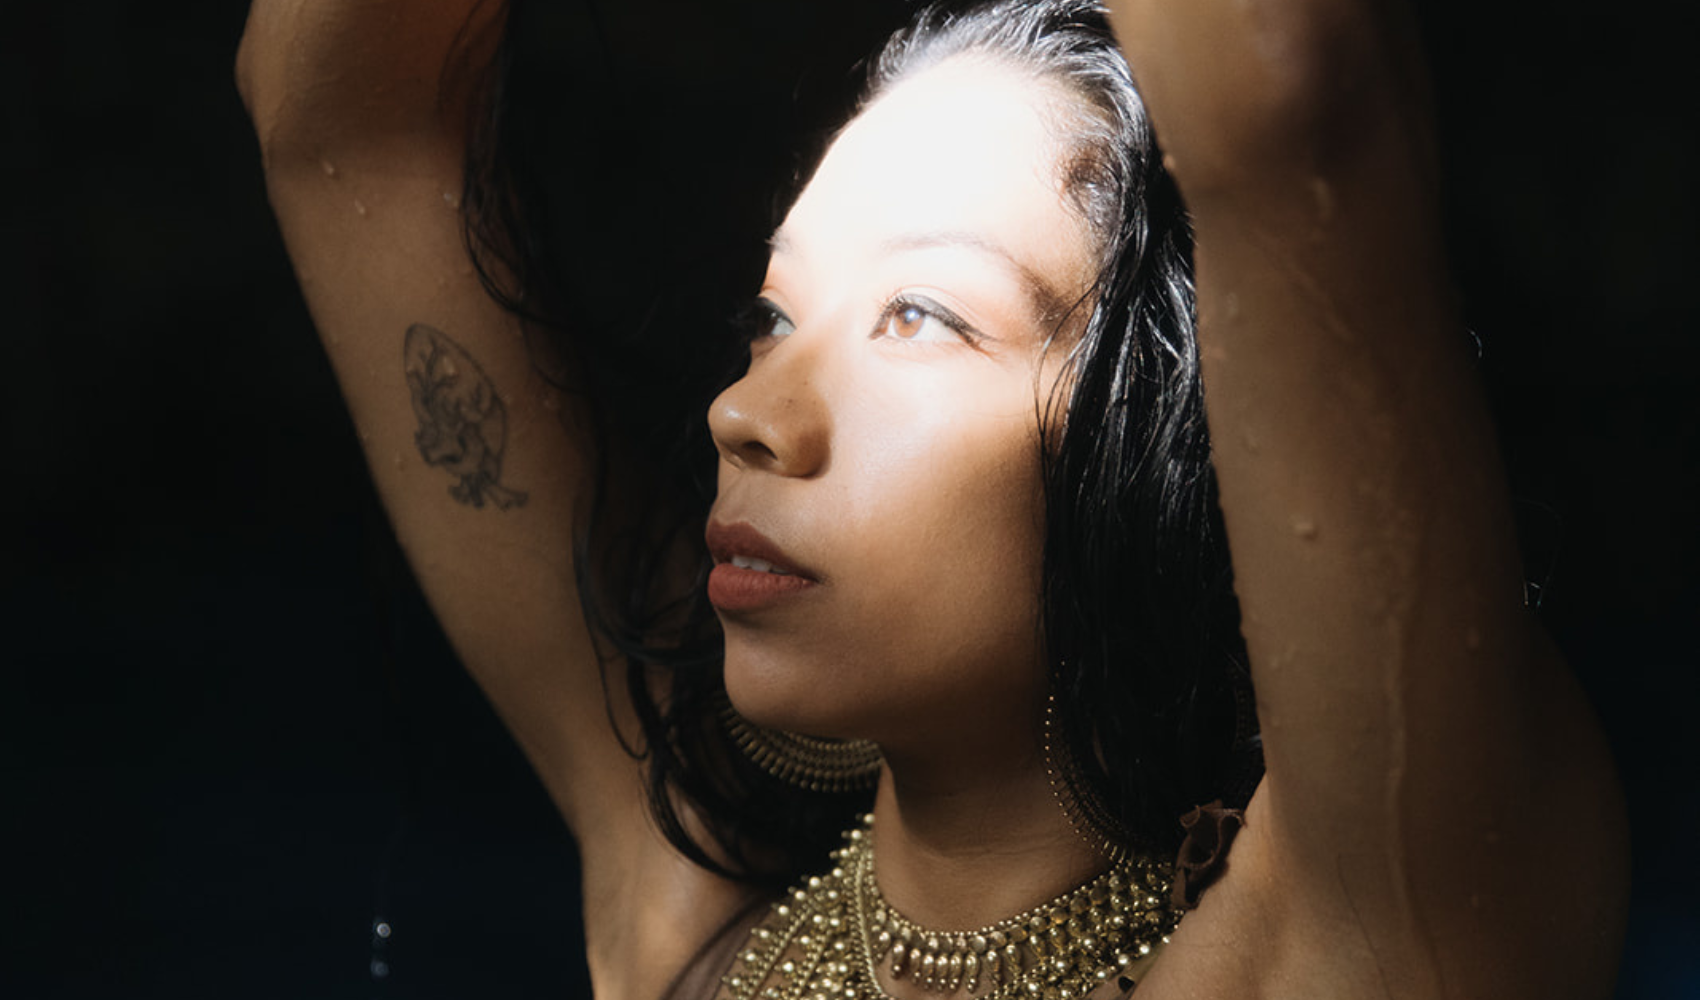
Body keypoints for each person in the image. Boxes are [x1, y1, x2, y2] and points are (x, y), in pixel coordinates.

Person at [237, 0, 1629, 997]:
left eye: (919, 316)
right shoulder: (692, 917)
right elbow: (338, 115)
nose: (744, 415)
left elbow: (1287, 87)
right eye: (773, 318)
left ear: (1186, 432)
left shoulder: (1363, 928)